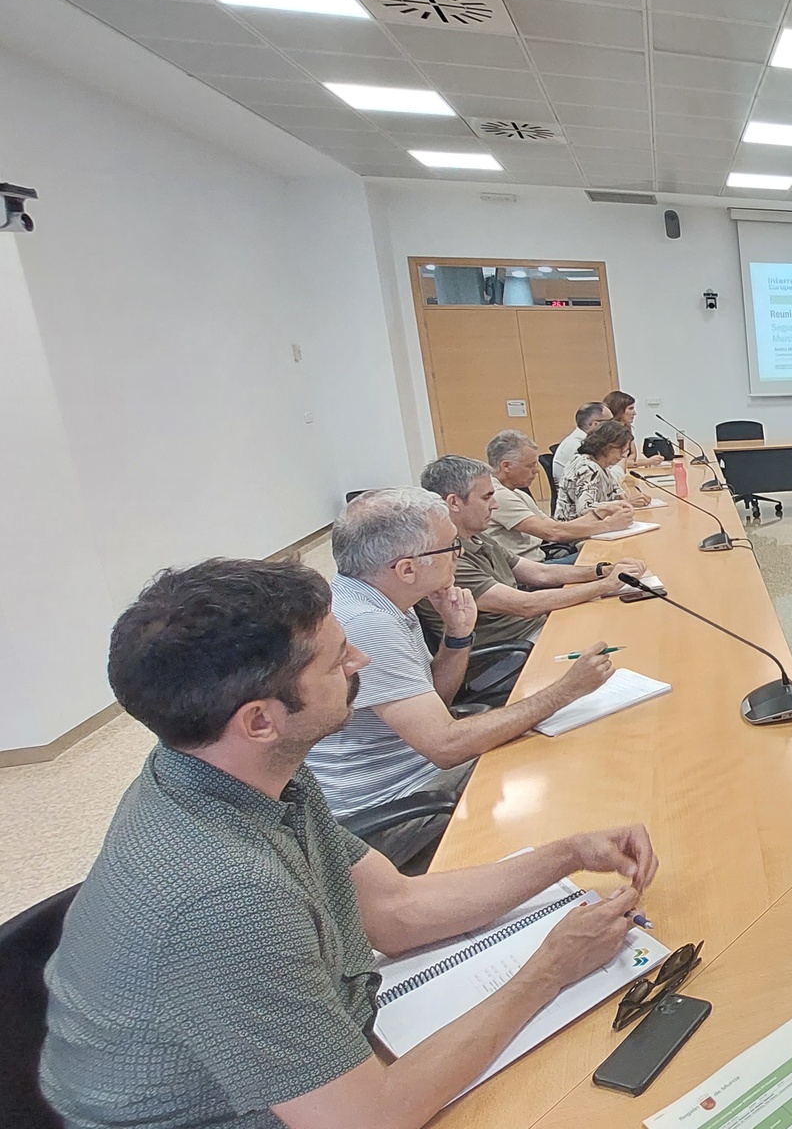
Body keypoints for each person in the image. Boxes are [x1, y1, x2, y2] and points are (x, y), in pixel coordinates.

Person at [39, 558, 657, 1129]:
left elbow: (394, 909)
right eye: (336, 660)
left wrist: (567, 854)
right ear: (260, 719)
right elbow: (365, 1119)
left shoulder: (241, 765)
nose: (360, 659)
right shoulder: (222, 896)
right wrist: (548, 971)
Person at [308, 487, 616, 862]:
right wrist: (565, 691)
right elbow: (446, 746)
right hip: (395, 806)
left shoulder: (384, 601)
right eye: (451, 548)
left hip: (418, 773)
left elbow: (438, 700)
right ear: (407, 569)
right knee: (557, 766)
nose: (460, 555)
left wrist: (457, 635)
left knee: (552, 737)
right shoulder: (367, 624)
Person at [419, 454, 647, 650]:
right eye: (487, 497)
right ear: (454, 502)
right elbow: (526, 605)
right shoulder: (445, 557)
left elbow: (540, 574)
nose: (495, 505)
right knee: (622, 637)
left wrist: (604, 571)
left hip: (536, 627)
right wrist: (605, 585)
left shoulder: (475, 535)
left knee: (626, 623)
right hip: (514, 648)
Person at [484, 429, 632, 562]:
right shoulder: (498, 495)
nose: (536, 471)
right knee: (614, 559)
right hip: (532, 568)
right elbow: (553, 533)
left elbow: (554, 526)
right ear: (506, 466)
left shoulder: (515, 492)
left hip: (541, 557)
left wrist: (600, 512)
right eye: (530, 466)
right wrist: (609, 525)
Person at [555, 420, 636, 521]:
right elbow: (584, 508)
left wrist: (624, 500)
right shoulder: (589, 468)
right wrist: (617, 504)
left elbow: (615, 492)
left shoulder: (597, 464)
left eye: (626, 451)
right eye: (621, 450)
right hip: (575, 530)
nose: (624, 455)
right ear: (606, 447)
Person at [604, 389, 668, 472]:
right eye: (630, 409)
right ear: (618, 410)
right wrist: (646, 462)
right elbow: (613, 463)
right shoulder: (610, 433)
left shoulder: (627, 427)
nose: (634, 413)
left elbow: (633, 454)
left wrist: (631, 463)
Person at [553, 400, 610, 483]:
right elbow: (601, 479)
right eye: (610, 421)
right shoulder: (579, 446)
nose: (614, 425)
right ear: (595, 424)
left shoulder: (582, 438)